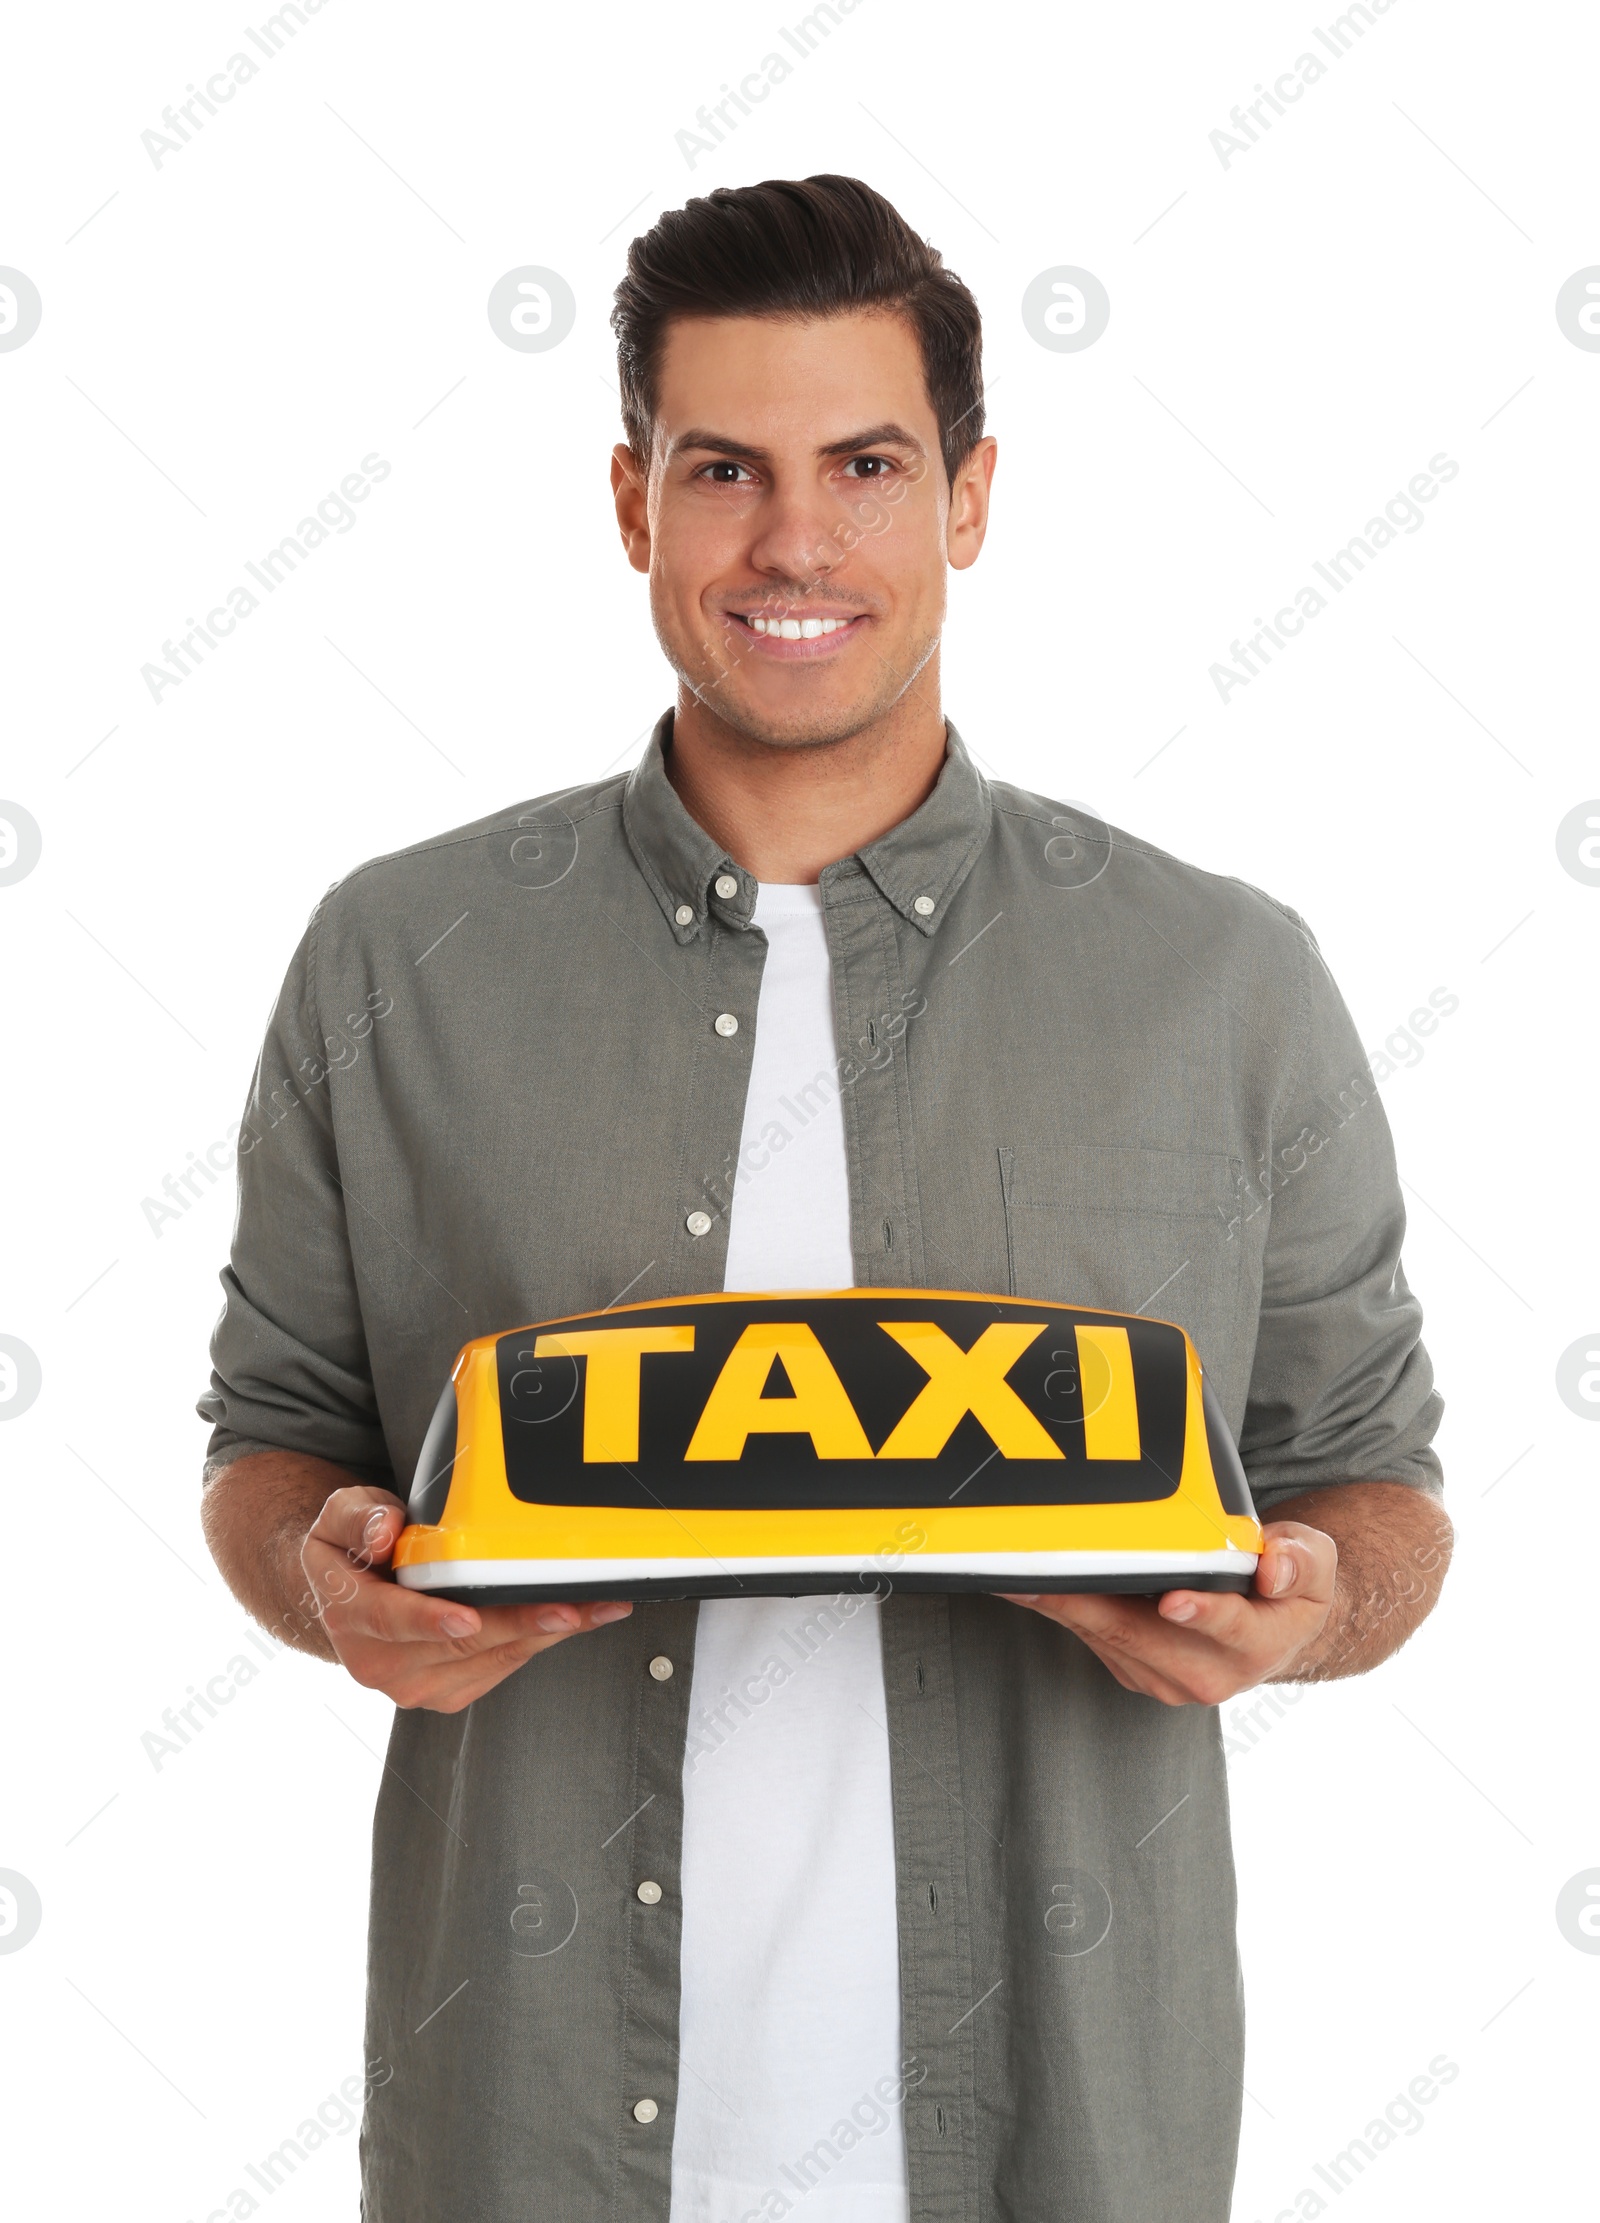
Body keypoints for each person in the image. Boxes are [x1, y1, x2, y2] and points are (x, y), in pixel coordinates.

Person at [198, 174, 1450, 2223]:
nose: (793, 541)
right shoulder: (393, 954)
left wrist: (1298, 1608)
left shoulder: (1218, 976)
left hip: (1066, 2133)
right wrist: (320, 1579)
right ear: (631, 502)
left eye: (864, 464)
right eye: (724, 470)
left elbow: (1371, 1483)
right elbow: (276, 1441)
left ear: (966, 496)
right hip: (527, 2126)